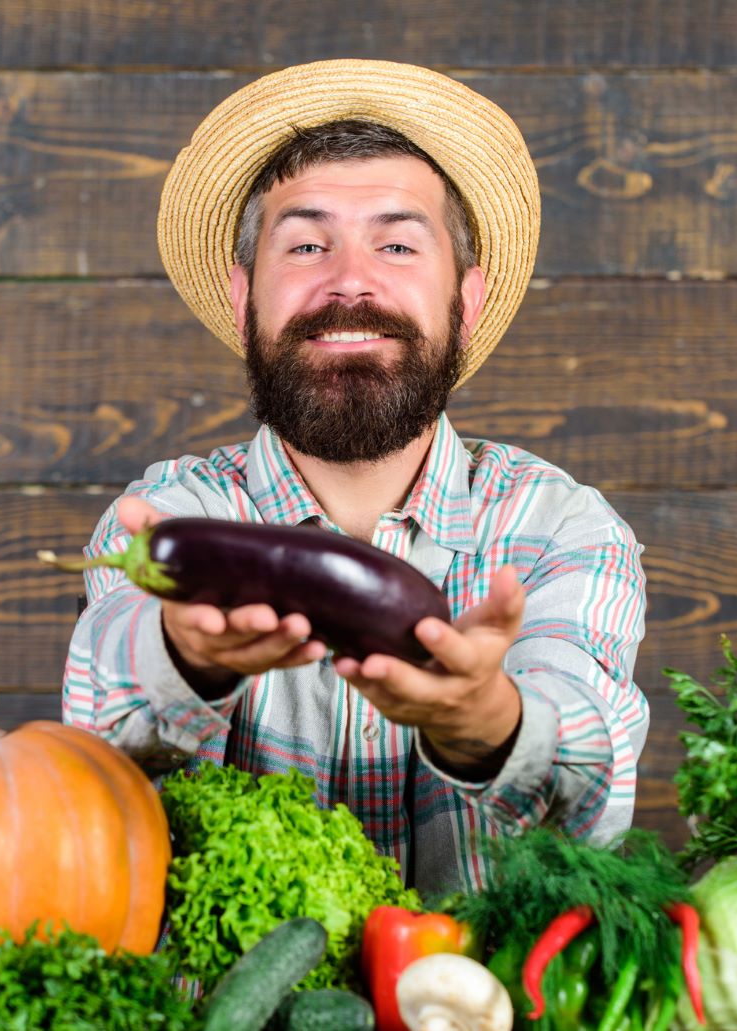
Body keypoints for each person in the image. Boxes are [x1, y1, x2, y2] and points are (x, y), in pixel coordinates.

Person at [61, 60, 647, 895]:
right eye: (305, 244)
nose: (350, 281)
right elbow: (87, 769)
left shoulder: (561, 528)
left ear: (466, 302)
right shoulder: (168, 517)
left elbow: (595, 794)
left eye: (398, 243)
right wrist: (184, 661)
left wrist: (487, 723)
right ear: (242, 297)